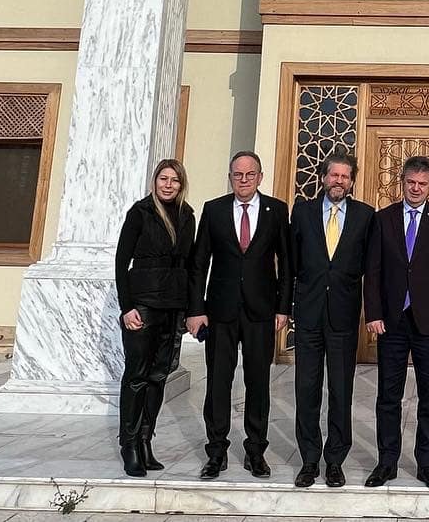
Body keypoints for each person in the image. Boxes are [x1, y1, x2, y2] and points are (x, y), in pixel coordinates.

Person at [184, 150, 291, 481]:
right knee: (218, 382)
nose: (244, 180)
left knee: (258, 382)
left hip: (261, 311)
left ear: (260, 177)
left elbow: (287, 264)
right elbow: (199, 263)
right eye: (237, 175)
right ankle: (216, 452)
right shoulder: (214, 210)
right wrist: (196, 309)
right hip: (221, 312)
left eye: (250, 174)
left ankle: (255, 451)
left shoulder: (276, 210)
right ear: (230, 177)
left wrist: (283, 308)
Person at [362, 155, 429, 490]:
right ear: (402, 182)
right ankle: (386, 461)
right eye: (411, 182)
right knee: (388, 395)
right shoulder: (383, 218)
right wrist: (373, 313)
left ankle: (427, 463)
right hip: (391, 321)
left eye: (422, 184)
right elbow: (372, 270)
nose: (416, 189)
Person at [288, 148, 374, 488]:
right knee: (306, 388)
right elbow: (291, 264)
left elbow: (371, 267)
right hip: (308, 314)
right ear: (323, 177)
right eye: (334, 174)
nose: (339, 181)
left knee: (340, 390)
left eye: (345, 176)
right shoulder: (303, 212)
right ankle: (309, 459)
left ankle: (335, 459)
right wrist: (286, 307)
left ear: (352, 182)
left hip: (343, 315)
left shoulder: (366, 216)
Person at [114, 158, 197, 478]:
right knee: (137, 375)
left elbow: (190, 265)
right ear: (155, 181)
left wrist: (190, 309)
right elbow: (121, 261)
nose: (168, 185)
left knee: (159, 376)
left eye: (174, 180)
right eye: (163, 178)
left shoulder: (187, 216)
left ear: (181, 184)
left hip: (173, 306)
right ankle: (130, 444)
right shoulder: (140, 212)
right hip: (144, 305)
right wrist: (127, 307)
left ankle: (146, 440)